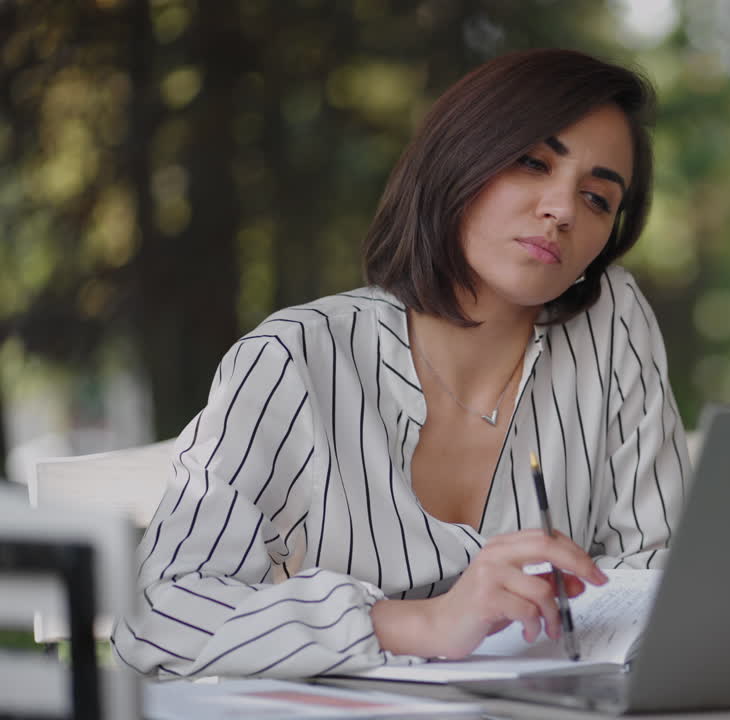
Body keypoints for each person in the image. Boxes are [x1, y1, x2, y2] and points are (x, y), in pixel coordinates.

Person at [112, 48, 690, 678]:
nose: (563, 210)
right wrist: (423, 624)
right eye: (532, 162)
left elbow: (655, 570)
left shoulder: (611, 323)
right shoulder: (297, 359)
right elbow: (155, 617)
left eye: (599, 198)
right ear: (459, 158)